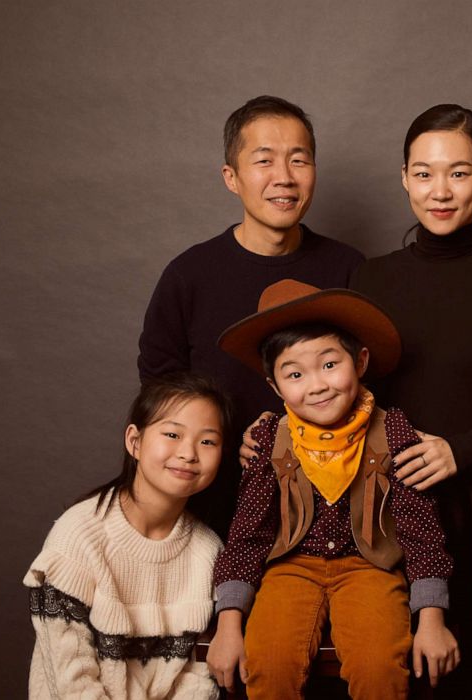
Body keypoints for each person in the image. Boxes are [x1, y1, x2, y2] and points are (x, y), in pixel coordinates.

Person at [350, 104, 472, 699]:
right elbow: (337, 392)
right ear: (404, 178)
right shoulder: (369, 280)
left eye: (459, 173)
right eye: (425, 173)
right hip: (381, 502)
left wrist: (461, 451)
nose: (441, 191)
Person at [206, 279, 459, 699]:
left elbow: (421, 531)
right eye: (295, 374)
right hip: (290, 567)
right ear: (274, 386)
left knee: (380, 669)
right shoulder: (269, 437)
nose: (318, 385)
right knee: (268, 664)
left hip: (370, 568)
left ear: (360, 361)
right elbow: (247, 535)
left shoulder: (393, 429)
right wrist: (227, 625)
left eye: (329, 365)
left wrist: (432, 619)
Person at [138, 95, 364, 535]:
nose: (284, 178)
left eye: (299, 161)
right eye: (264, 161)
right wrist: (225, 438)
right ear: (232, 177)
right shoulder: (189, 275)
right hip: (214, 507)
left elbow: (375, 384)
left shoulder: (351, 270)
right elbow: (161, 390)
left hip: (330, 509)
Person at [23, 373, 230, 699]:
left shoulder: (209, 551)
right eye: (173, 434)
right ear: (135, 441)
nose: (189, 452)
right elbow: (71, 681)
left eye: (208, 441)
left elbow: (199, 677)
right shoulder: (78, 536)